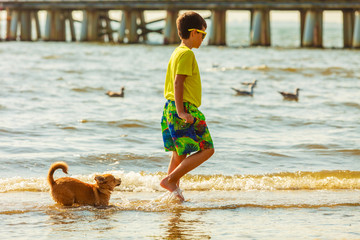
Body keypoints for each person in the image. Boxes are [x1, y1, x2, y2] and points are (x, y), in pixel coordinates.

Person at [160, 11, 215, 201]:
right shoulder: (187, 54)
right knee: (208, 149)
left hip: (170, 107)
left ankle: (173, 192)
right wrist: (182, 111)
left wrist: (177, 109)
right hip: (182, 107)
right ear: (193, 33)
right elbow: (178, 82)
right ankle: (170, 180)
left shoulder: (176, 52)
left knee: (179, 153)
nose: (203, 39)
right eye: (203, 34)